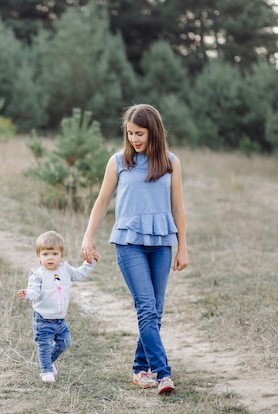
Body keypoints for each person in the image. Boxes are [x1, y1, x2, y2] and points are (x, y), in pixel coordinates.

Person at [80, 104, 188, 395]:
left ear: (154, 131)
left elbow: (177, 207)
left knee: (156, 310)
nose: (134, 139)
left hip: (162, 244)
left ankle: (140, 369)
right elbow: (102, 202)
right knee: (146, 308)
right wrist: (88, 237)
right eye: (129, 134)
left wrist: (183, 247)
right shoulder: (118, 162)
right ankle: (163, 374)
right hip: (129, 244)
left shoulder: (170, 162)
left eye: (139, 133)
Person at [18, 230, 98, 383]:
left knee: (65, 342)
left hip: (60, 320)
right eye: (45, 254)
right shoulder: (38, 275)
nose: (50, 257)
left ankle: (48, 363)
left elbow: (80, 274)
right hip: (43, 318)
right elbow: (34, 291)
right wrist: (27, 293)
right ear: (39, 257)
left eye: (54, 254)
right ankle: (46, 370)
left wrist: (90, 262)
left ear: (61, 256)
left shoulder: (65, 270)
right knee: (44, 345)